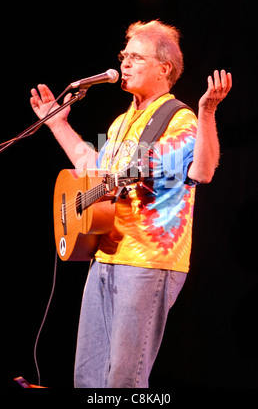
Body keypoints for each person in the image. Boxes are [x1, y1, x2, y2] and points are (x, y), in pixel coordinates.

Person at [30, 20, 232, 388]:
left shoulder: (180, 118)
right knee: (87, 379)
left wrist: (207, 114)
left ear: (163, 67)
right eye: (124, 56)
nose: (124, 63)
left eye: (136, 57)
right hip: (105, 256)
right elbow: (94, 171)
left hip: (147, 262)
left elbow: (201, 173)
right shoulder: (122, 121)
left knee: (124, 380)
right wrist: (57, 124)